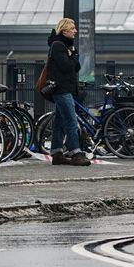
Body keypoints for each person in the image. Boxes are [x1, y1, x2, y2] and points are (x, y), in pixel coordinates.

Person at [46, 18, 86, 166]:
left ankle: (56, 153)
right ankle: (76, 153)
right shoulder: (58, 45)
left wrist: (73, 56)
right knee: (71, 120)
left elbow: (76, 67)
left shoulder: (67, 46)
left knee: (59, 121)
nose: (75, 31)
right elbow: (66, 66)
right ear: (64, 31)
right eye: (72, 29)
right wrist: (73, 56)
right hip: (61, 89)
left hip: (66, 88)